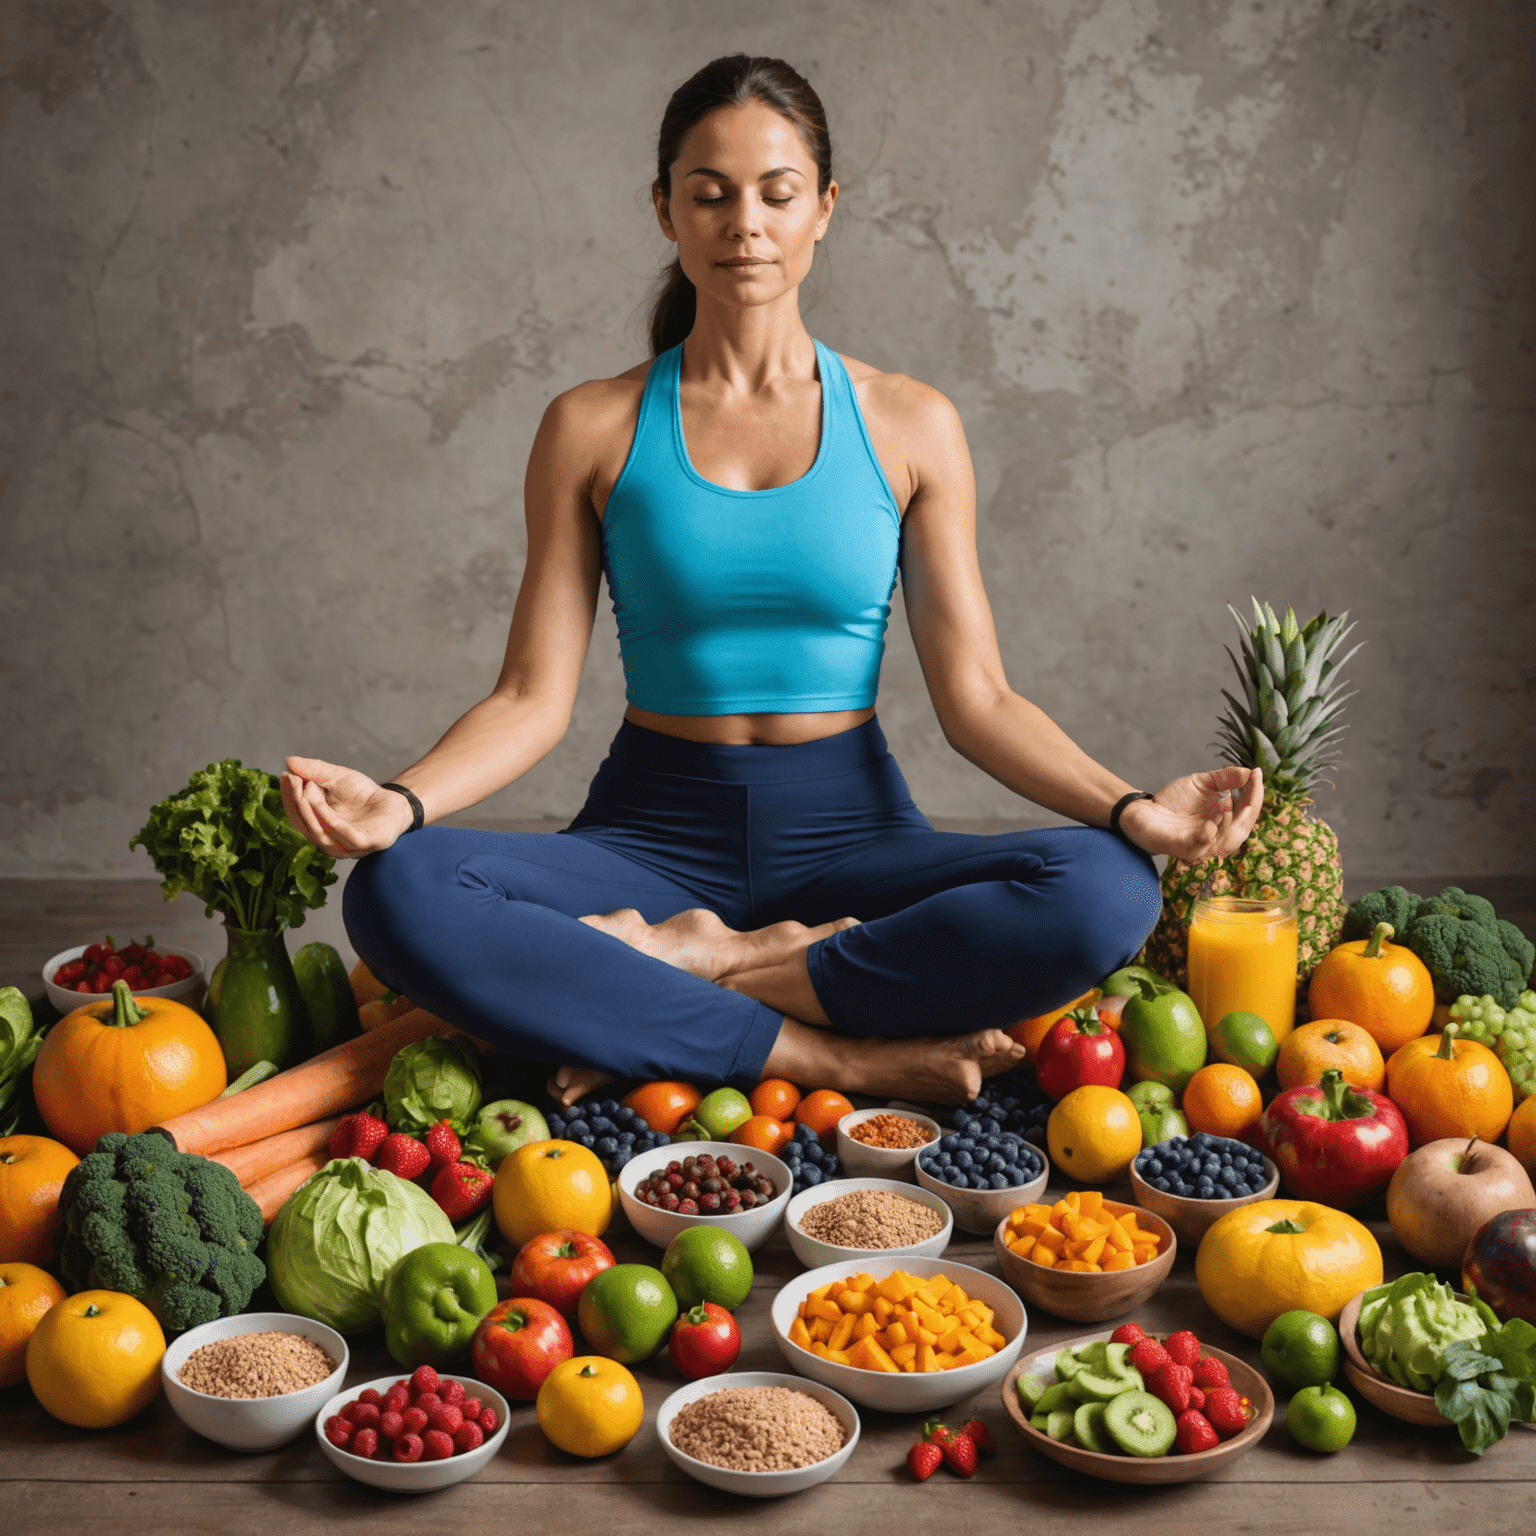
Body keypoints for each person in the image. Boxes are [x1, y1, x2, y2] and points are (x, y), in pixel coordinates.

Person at [281, 55, 1262, 1109]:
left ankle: (692, 971)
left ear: (824, 209)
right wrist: (399, 801)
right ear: (665, 210)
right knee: (401, 889)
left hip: (854, 838)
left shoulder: (910, 423)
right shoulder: (590, 427)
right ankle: (828, 1053)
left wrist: (1132, 812)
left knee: (1106, 890)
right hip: (649, 839)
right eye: (709, 194)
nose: (743, 221)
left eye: (776, 193)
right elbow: (532, 700)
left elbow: (978, 701)